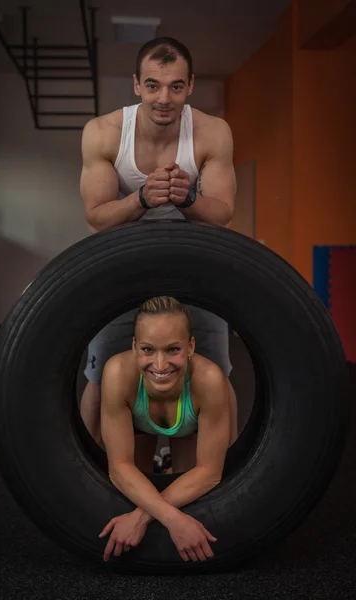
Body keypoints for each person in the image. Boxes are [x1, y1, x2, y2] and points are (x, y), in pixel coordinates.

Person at [78, 36, 238, 454]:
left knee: (215, 374)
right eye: (153, 85)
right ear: (136, 85)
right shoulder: (104, 132)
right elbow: (96, 217)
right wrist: (142, 198)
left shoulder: (212, 131)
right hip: (123, 264)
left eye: (175, 86)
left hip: (194, 265)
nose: (163, 98)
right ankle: (88, 481)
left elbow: (222, 214)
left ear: (190, 85)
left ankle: (222, 484)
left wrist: (188, 199)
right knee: (100, 378)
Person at [98, 296, 232, 563]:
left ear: (191, 346)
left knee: (191, 486)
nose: (160, 365)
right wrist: (174, 521)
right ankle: (159, 464)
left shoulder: (209, 380)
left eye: (173, 350)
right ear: (134, 347)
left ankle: (168, 464)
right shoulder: (117, 372)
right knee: (137, 479)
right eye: (148, 350)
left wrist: (140, 517)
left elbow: (210, 472)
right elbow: (119, 466)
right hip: (139, 427)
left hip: (189, 428)